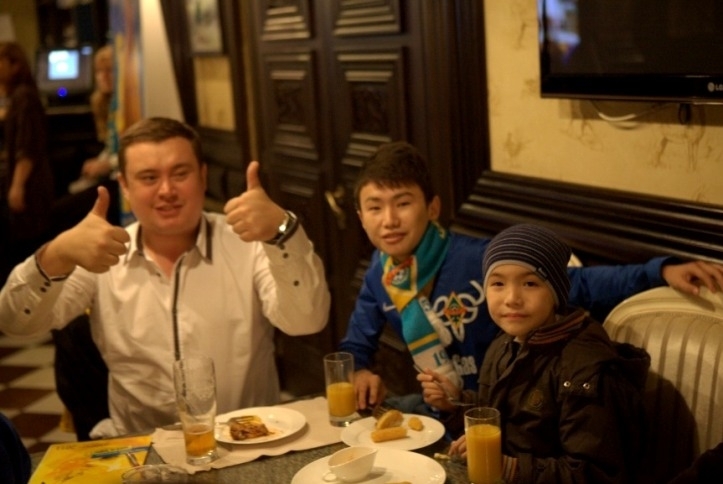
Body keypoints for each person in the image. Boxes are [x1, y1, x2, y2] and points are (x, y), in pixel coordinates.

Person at [0, 117, 331, 436]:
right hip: (142, 449)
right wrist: (56, 255)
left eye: (180, 173)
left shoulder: (248, 244)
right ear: (125, 186)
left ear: (202, 176)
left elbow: (306, 320)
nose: (167, 190)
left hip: (246, 442)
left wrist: (282, 232)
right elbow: (16, 324)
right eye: (148, 178)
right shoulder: (104, 255)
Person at [339, 141, 723, 415]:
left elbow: (581, 283)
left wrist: (658, 271)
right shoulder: (381, 275)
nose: (389, 220)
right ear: (360, 218)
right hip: (440, 409)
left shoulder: (479, 259)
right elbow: (356, 344)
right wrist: (360, 372)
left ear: (433, 207)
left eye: (403, 203)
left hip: (505, 412)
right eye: (375, 208)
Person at [432, 223, 649, 483]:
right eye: (498, 283)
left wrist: (509, 467)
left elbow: (595, 472)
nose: (512, 298)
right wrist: (455, 404)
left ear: (556, 291)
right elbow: (501, 413)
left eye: (530, 283)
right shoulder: (504, 343)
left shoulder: (585, 369)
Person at [0, 41, 54, 285]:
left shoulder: (25, 97)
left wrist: (17, 186)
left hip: (30, 185)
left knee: (26, 248)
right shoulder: (15, 97)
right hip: (20, 182)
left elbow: (27, 147)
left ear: (15, 65)